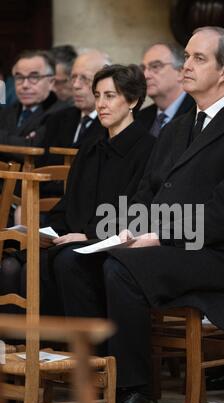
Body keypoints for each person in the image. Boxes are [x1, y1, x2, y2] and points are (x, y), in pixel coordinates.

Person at [46, 27, 224, 403]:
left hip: (215, 253)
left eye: (197, 59)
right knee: (71, 261)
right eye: (186, 56)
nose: (186, 65)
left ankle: (136, 394)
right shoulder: (175, 127)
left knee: (120, 269)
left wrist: (160, 234)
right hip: (165, 245)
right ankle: (98, 383)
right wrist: (123, 231)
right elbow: (143, 194)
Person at [0, 64, 156, 315]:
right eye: (97, 95)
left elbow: (139, 210)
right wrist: (47, 232)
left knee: (59, 262)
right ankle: (25, 349)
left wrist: (88, 235)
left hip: (113, 244)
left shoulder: (149, 149)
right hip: (74, 239)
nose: (101, 104)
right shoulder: (90, 147)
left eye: (110, 95)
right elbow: (69, 203)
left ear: (133, 101)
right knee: (11, 263)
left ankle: (77, 346)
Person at [36, 50, 111, 198]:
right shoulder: (57, 119)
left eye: (85, 79)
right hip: (47, 201)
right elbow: (42, 167)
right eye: (74, 77)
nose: (76, 85)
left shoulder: (114, 123)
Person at [0, 50, 66, 153]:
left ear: (51, 82)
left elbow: (34, 149)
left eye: (34, 77)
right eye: (19, 77)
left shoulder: (62, 113)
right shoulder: (6, 112)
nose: (25, 85)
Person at [136, 43, 195, 136]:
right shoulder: (140, 117)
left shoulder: (197, 112)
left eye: (155, 66)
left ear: (180, 72)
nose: (145, 75)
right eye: (143, 69)